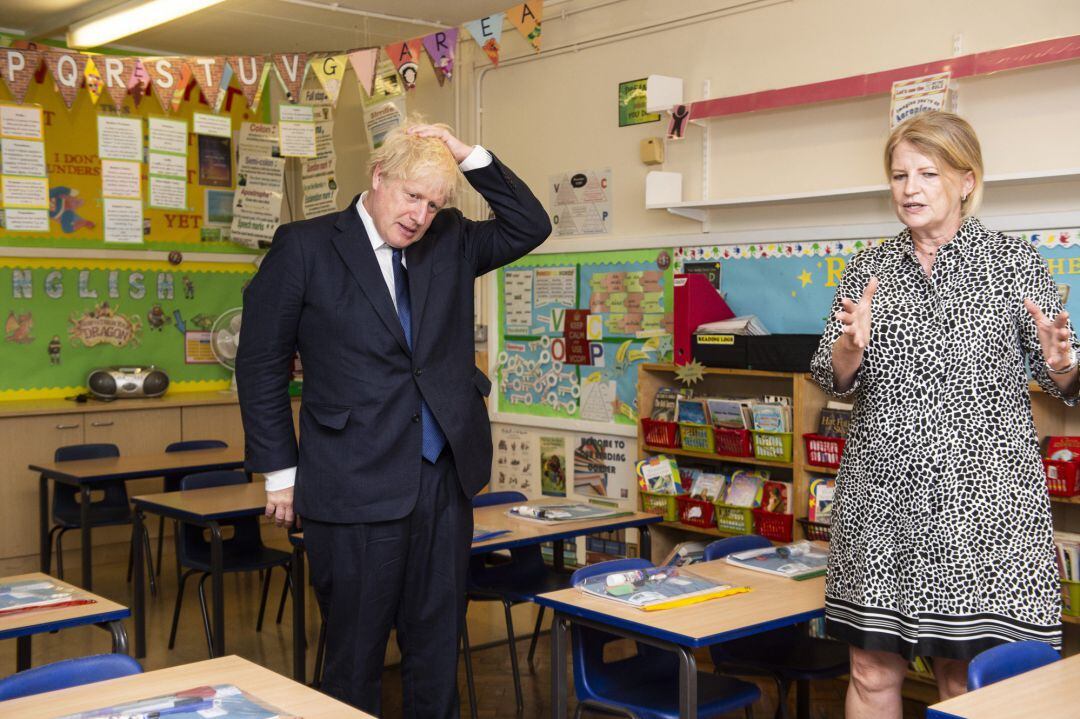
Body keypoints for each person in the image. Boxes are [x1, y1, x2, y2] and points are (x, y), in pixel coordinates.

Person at [236, 122, 550, 717]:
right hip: (352, 483)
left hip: (441, 479)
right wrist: (279, 470)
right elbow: (259, 365)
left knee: (436, 650)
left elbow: (530, 224)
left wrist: (467, 155)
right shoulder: (304, 246)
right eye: (412, 196)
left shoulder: (450, 240)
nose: (420, 216)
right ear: (378, 177)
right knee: (354, 658)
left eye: (434, 204)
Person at [810, 111, 1077, 719]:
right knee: (871, 672)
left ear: (966, 181)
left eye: (928, 173)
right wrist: (849, 348)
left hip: (984, 514)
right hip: (880, 507)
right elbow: (833, 376)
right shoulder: (868, 268)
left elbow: (1065, 382)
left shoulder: (1015, 263)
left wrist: (1062, 359)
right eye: (900, 174)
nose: (910, 188)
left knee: (967, 683)